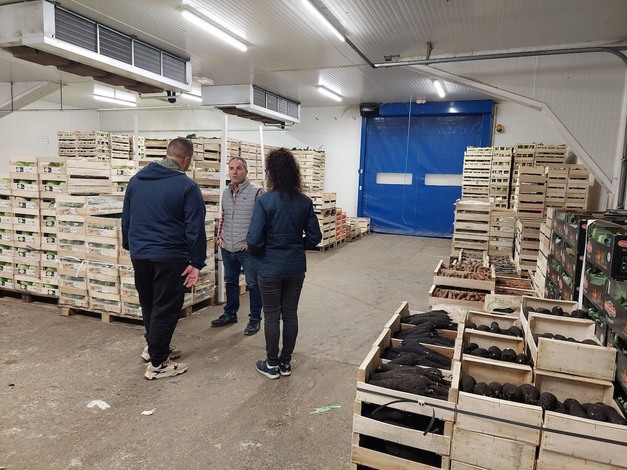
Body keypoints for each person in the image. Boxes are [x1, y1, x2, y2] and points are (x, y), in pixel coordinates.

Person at [122, 137, 207, 380]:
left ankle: (153, 347)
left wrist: (131, 246)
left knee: (149, 303)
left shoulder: (136, 181)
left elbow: (126, 219)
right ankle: (159, 363)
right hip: (170, 255)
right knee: (166, 307)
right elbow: (195, 228)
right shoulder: (187, 186)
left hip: (141, 254)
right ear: (186, 160)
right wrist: (196, 262)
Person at [246, 148, 322, 379]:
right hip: (295, 267)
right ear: (293, 172)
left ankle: (271, 364)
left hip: (269, 267)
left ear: (272, 173)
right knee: (290, 314)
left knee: (271, 315)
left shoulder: (264, 201)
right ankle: (286, 363)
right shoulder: (304, 202)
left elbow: (254, 239)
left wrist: (261, 251)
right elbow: (315, 237)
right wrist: (297, 245)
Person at [212, 156, 263, 336]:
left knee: (253, 284)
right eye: (231, 168)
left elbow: (262, 221)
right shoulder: (226, 192)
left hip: (246, 249)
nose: (234, 172)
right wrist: (220, 237)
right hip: (227, 246)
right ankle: (230, 313)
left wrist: (252, 243)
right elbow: (224, 216)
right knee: (231, 282)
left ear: (246, 171)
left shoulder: (257, 192)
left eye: (239, 168)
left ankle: (254, 319)